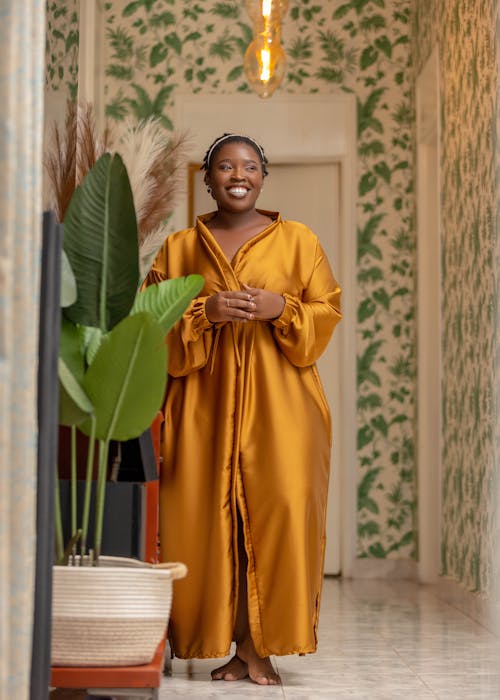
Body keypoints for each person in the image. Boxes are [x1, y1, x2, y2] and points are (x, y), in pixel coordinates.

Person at [145, 133, 342, 686]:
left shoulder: (298, 240)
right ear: (206, 179)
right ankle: (229, 647)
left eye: (250, 166)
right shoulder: (179, 248)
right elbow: (150, 328)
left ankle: (263, 648)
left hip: (284, 412)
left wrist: (282, 307)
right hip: (201, 411)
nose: (239, 174)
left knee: (278, 518)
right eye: (225, 166)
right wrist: (204, 313)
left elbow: (325, 312)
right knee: (208, 524)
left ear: (263, 176)